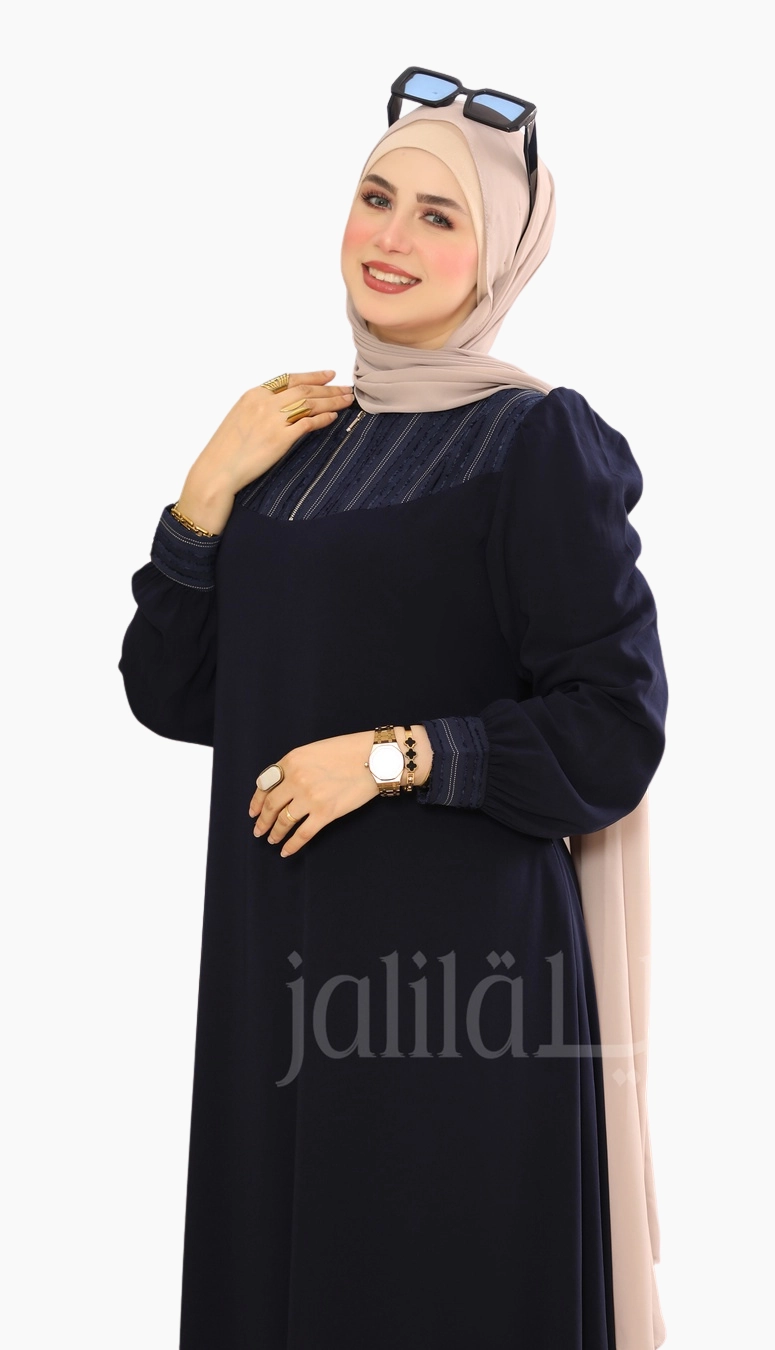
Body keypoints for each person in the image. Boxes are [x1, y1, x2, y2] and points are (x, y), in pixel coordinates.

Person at [119, 68, 669, 1350]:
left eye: (439, 215)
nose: (392, 237)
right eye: (377, 198)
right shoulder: (298, 443)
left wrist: (391, 758)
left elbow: (614, 726)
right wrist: (205, 495)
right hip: (277, 978)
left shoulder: (535, 441)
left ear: (501, 256)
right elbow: (175, 691)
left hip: (452, 1003)